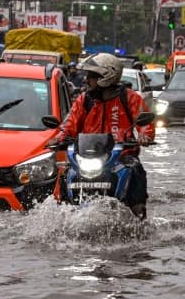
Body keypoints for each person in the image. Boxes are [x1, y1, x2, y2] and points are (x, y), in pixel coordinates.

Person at [49, 53, 155, 218]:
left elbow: (144, 123)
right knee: (65, 173)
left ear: (106, 76)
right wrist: (59, 138)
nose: (86, 80)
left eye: (92, 76)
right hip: (87, 155)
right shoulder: (84, 100)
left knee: (136, 169)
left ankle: (138, 210)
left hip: (120, 157)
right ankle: (60, 212)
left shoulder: (129, 97)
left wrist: (145, 135)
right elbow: (69, 124)